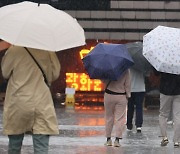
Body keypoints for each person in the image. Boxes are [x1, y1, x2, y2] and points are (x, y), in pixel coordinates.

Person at [0, 42, 60, 154]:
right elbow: (55, 73)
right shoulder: (47, 49)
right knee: (41, 145)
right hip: (41, 100)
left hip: (18, 100)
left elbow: (5, 72)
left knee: (14, 144)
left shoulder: (14, 50)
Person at [103, 69, 131, 147]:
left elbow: (104, 81)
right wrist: (128, 95)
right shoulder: (126, 70)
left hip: (109, 94)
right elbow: (127, 84)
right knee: (120, 118)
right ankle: (117, 140)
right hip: (121, 95)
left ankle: (108, 139)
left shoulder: (107, 68)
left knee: (109, 117)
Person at [153, 70, 180, 147]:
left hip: (165, 90)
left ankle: (164, 137)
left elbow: (156, 73)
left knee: (163, 114)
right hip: (178, 91)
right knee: (177, 116)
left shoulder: (164, 62)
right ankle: (177, 141)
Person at [126, 68, 146, 133]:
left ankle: (129, 124)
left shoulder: (129, 66)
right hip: (140, 88)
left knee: (130, 107)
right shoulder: (142, 65)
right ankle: (138, 125)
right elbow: (147, 74)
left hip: (131, 89)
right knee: (139, 107)